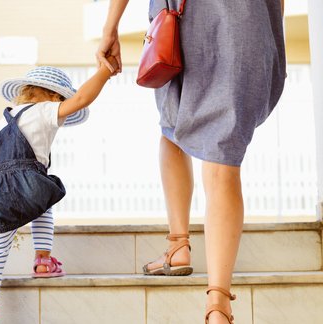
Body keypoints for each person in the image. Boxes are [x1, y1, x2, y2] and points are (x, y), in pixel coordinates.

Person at [96, 0, 286, 323]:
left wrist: (110, 26)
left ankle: (178, 245)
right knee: (222, 157)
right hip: (249, 21)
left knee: (173, 126)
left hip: (184, 16)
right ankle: (218, 305)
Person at [0, 60, 118, 324]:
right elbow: (81, 98)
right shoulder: (46, 109)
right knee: (42, 195)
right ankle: (43, 260)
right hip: (28, 183)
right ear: (54, 96)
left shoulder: (1, 122)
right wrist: (105, 71)